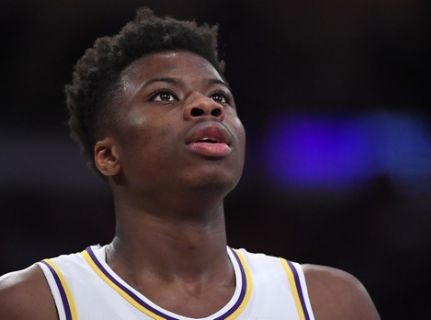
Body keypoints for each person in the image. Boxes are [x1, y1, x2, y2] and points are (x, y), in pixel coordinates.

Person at [0, 8, 380, 320]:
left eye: (221, 97)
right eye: (164, 95)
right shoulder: (33, 303)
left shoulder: (330, 303)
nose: (208, 106)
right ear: (109, 155)